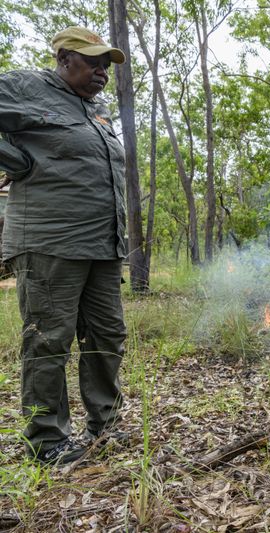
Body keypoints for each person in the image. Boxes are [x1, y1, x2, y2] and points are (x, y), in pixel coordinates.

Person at [0, 26, 128, 464]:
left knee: (107, 335)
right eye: (93, 61)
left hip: (102, 245)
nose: (101, 71)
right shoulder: (27, 87)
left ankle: (105, 425)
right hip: (49, 241)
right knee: (48, 340)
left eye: (106, 66)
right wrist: (13, 160)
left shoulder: (94, 111)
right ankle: (47, 442)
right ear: (64, 57)